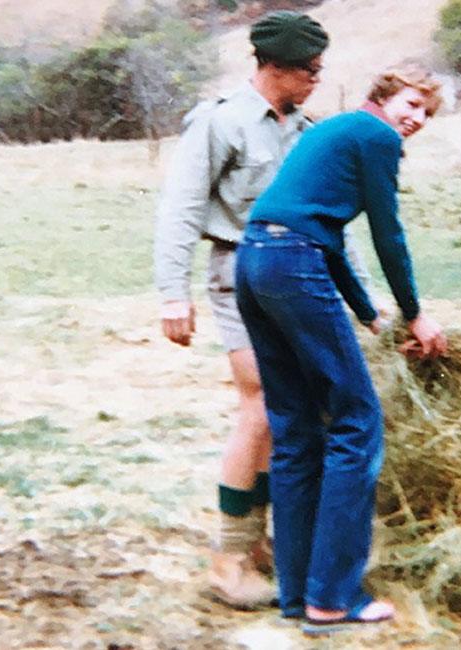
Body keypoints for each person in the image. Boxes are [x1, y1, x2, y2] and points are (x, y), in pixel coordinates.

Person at [153, 10, 371, 609]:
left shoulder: (310, 131)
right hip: (237, 273)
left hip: (301, 280)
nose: (316, 80)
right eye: (309, 71)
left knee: (295, 411)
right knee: (260, 405)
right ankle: (229, 556)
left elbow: (332, 219)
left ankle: (268, 542)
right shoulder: (220, 123)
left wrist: (364, 300)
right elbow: (181, 206)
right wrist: (173, 292)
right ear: (273, 67)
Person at [234, 64, 449, 629]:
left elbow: (319, 230)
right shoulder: (377, 137)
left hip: (255, 258)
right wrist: (415, 313)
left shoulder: (332, 130)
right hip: (292, 263)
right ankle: (333, 597)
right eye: (411, 103)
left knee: (297, 429)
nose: (416, 119)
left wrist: (363, 310)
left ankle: (296, 593)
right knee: (358, 423)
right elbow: (386, 231)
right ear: (384, 96)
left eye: (426, 113)